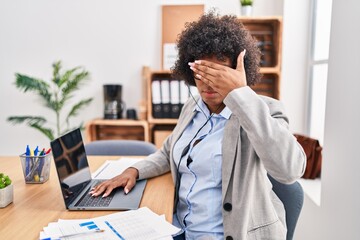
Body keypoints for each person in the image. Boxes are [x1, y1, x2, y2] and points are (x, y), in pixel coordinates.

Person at [90, 12, 306, 240]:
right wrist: (133, 171)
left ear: (237, 72)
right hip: (180, 229)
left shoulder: (263, 110)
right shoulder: (191, 109)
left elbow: (290, 169)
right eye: (202, 71)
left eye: (219, 73)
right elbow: (167, 152)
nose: (209, 82)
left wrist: (241, 94)